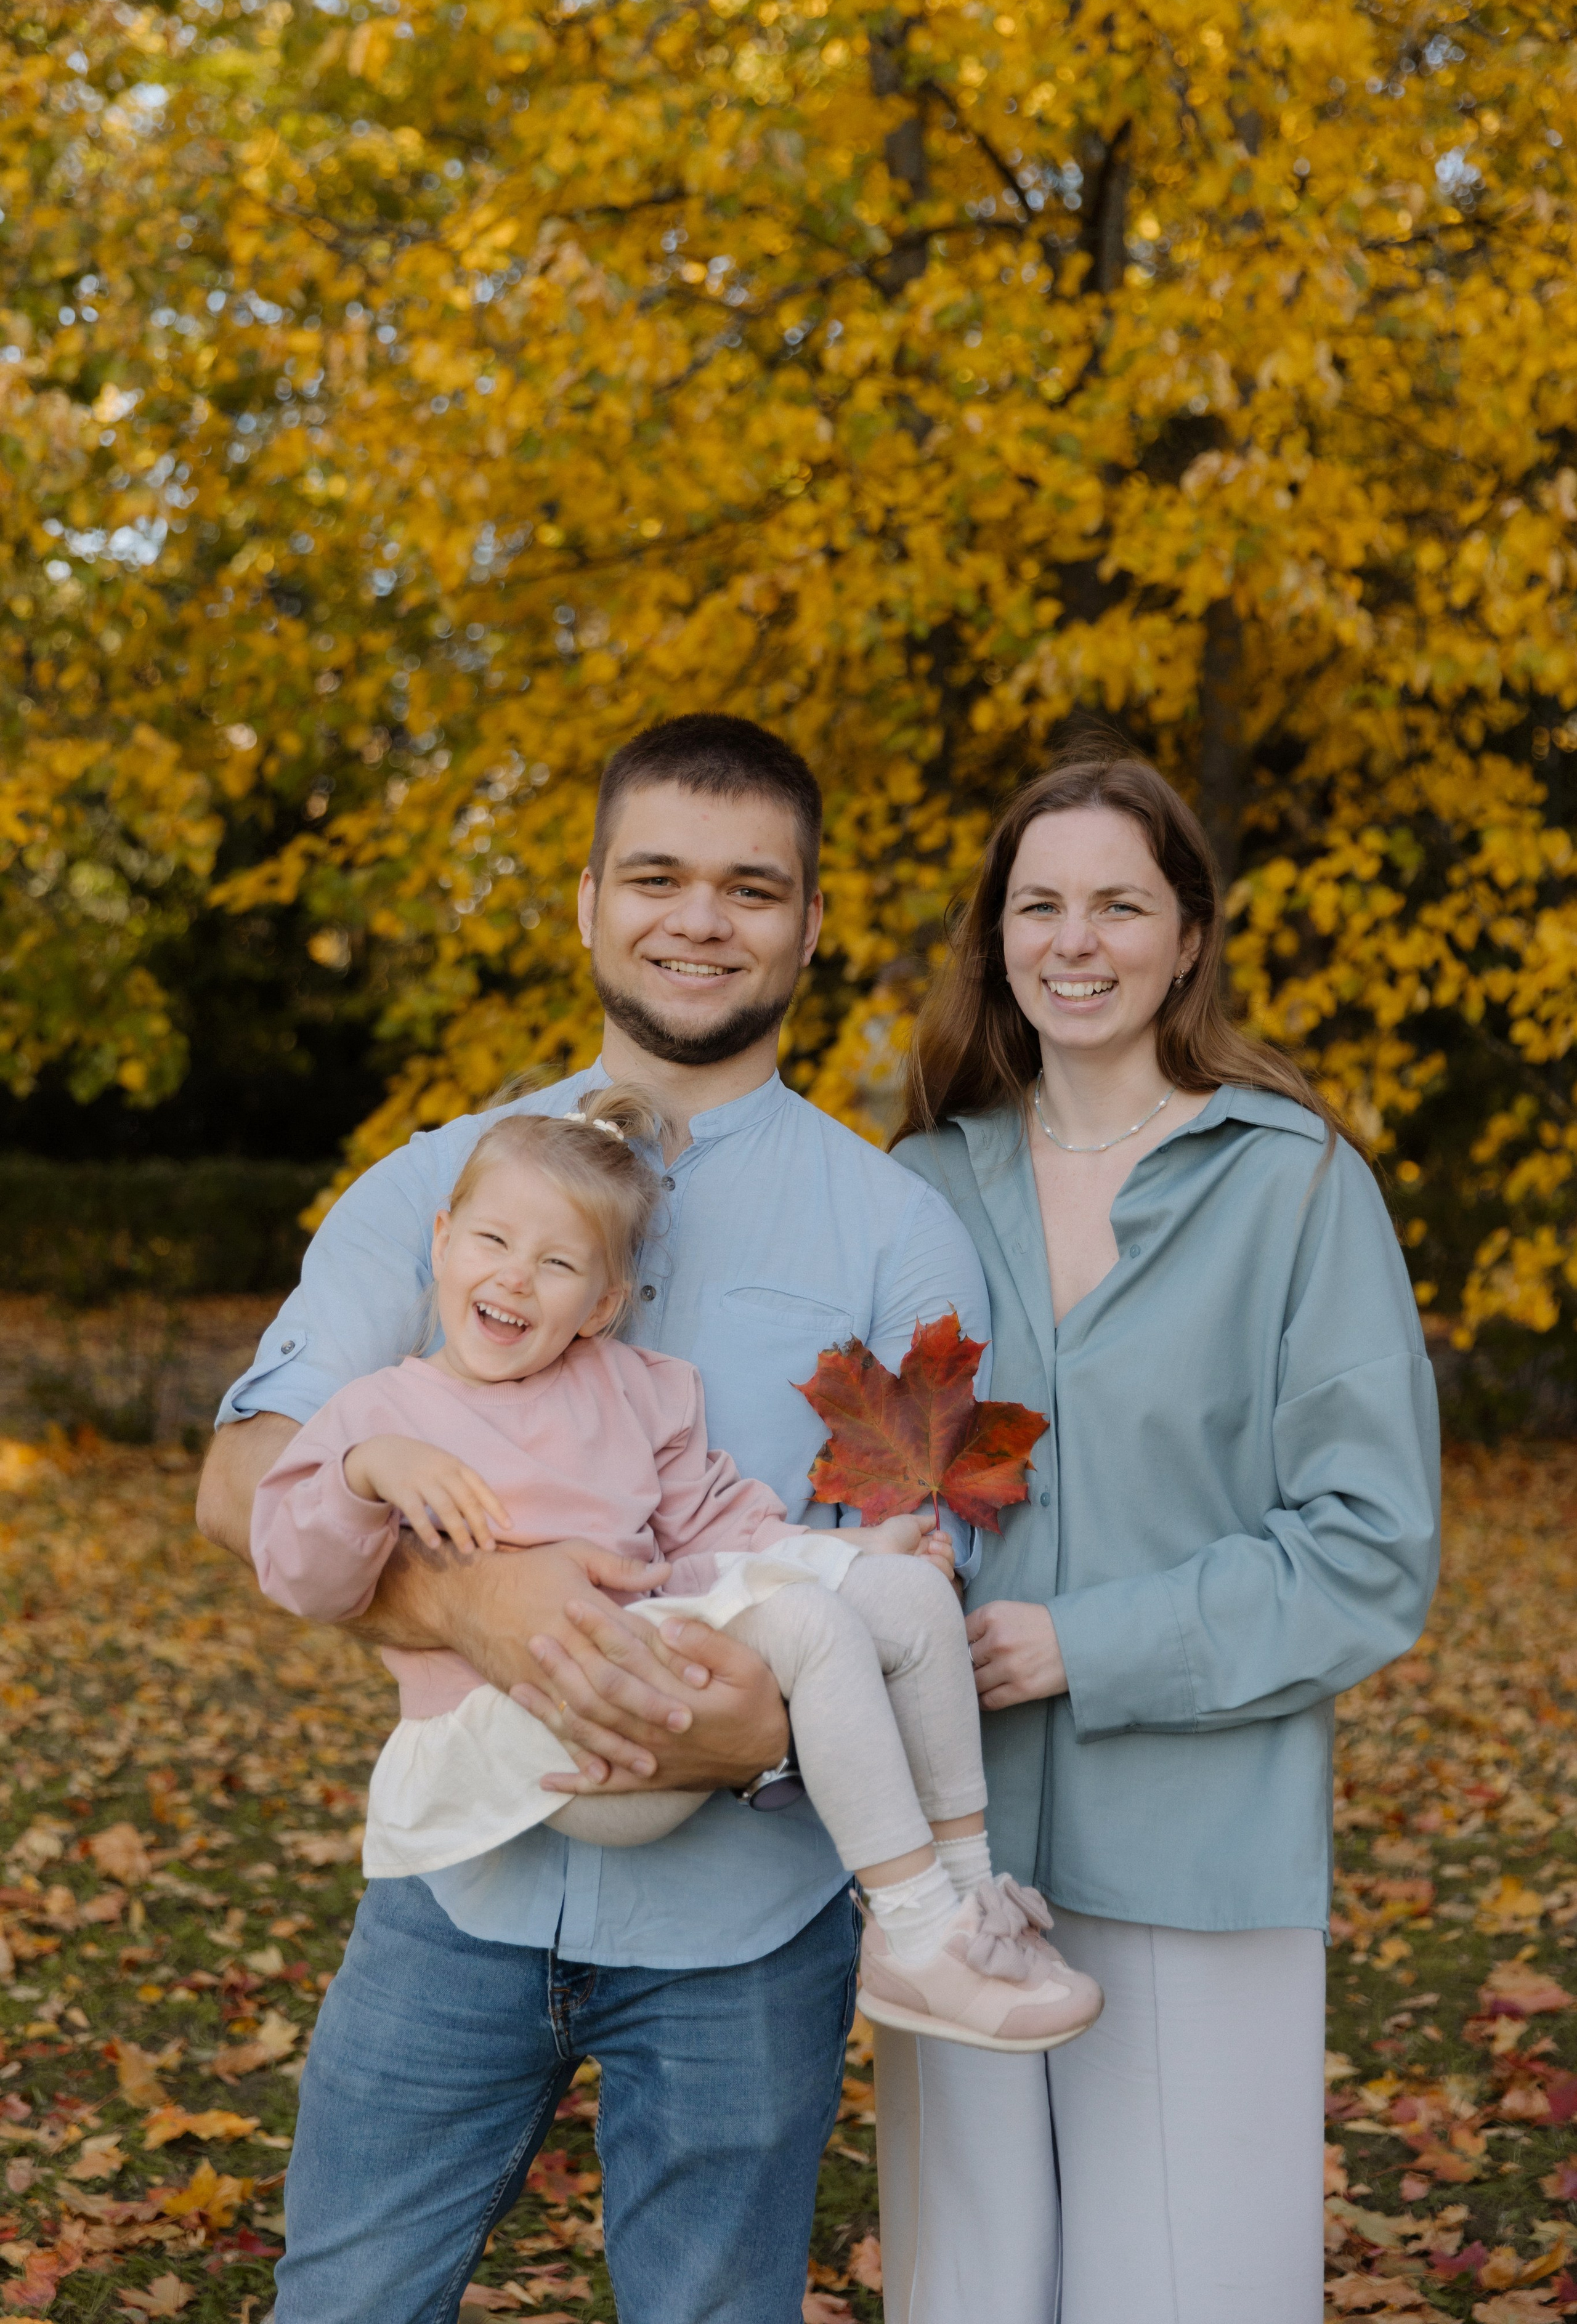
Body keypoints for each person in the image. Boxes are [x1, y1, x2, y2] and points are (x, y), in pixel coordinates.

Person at [195, 713, 992, 2324]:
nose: (701, 918)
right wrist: (470, 1607)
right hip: (454, 1898)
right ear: (585, 904)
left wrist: (760, 1735)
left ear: (811, 925)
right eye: (657, 876)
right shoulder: (437, 1186)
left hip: (747, 1932)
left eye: (752, 887)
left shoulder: (904, 1235)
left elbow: (927, 1560)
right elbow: (243, 1478)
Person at [877, 727, 1441, 2324]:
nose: (1076, 944)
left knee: (1187, 2290)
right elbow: (851, 1485)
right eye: (1039, 906)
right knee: (964, 2290)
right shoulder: (923, 1184)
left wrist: (1085, 1643)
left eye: (1120, 906)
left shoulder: (1296, 1185)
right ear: (997, 933)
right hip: (951, 1852)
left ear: (1190, 933)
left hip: (1202, 1844)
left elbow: (1370, 1549)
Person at [251, 1087, 1103, 2080]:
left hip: (658, 1671)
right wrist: (367, 1474)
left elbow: (710, 1538)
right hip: (539, 1739)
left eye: (558, 1263)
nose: (516, 1280)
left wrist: (857, 1554)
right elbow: (300, 1573)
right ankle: (908, 1922)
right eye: (491, 1241)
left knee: (910, 1599)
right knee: (810, 1624)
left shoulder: (634, 1388)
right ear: (441, 1240)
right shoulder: (382, 1412)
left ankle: (957, 1911)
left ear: (603, 1304)